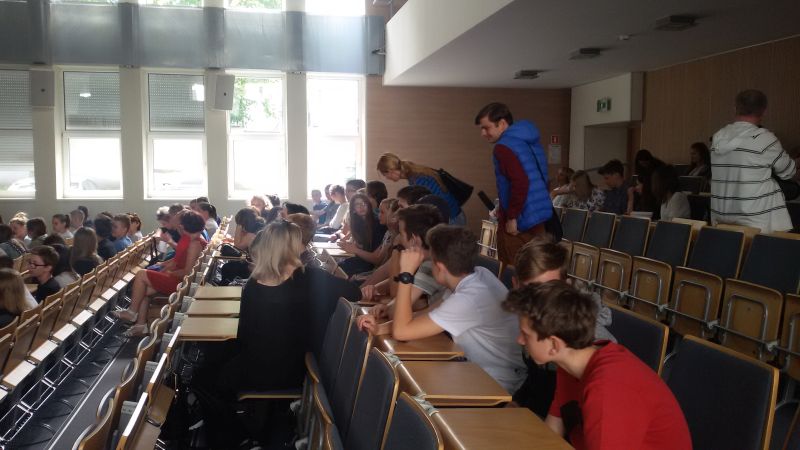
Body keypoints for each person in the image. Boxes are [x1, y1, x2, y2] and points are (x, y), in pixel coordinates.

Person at [504, 281, 691, 450]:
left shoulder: (607, 388)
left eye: (525, 334)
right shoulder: (570, 366)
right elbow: (550, 436)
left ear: (554, 345)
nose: (519, 340)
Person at [360, 225, 527, 393]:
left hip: (495, 383)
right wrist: (379, 328)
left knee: (400, 386)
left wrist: (406, 275)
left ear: (439, 267)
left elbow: (401, 332)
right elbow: (424, 316)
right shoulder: (476, 275)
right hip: (475, 370)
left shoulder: (468, 299)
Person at [511, 237, 616, 416]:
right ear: (516, 287)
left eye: (550, 288)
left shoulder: (591, 338)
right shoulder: (530, 319)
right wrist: (516, 403)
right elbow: (537, 381)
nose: (541, 299)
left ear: (566, 286)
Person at [475, 102, 552, 266]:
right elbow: (540, 179)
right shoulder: (530, 142)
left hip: (520, 221)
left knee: (513, 268)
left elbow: (521, 182)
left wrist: (512, 216)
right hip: (538, 217)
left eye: (486, 128)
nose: (483, 133)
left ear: (502, 123)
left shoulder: (503, 147)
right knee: (538, 267)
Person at [711, 89, 797, 233]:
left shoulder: (717, 137)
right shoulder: (765, 139)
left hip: (722, 221)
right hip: (757, 225)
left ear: (735, 108)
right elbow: (789, 172)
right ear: (763, 111)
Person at [112, 211, 207, 336]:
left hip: (181, 284)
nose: (177, 227)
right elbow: (178, 259)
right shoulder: (190, 238)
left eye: (179, 224)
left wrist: (168, 272)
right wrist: (164, 267)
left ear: (183, 226)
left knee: (141, 274)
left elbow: (187, 272)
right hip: (178, 279)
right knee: (142, 290)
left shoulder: (195, 243)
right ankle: (141, 326)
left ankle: (132, 312)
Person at [378, 153, 466, 225]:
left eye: (385, 175)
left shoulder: (416, 180)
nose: (387, 178)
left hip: (453, 218)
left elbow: (425, 208)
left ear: (390, 171)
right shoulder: (415, 173)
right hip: (454, 214)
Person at [337, 193, 387, 276]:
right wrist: (349, 246)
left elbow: (375, 259)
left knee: (340, 268)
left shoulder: (378, 224)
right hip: (362, 260)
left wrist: (354, 249)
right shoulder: (358, 223)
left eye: (364, 203)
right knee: (337, 265)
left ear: (369, 205)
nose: (361, 206)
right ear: (353, 209)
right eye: (357, 204)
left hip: (372, 265)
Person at [627, 149, 664, 218]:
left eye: (645, 163)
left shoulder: (657, 168)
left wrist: (644, 188)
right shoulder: (641, 170)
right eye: (641, 164)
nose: (644, 166)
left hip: (653, 199)